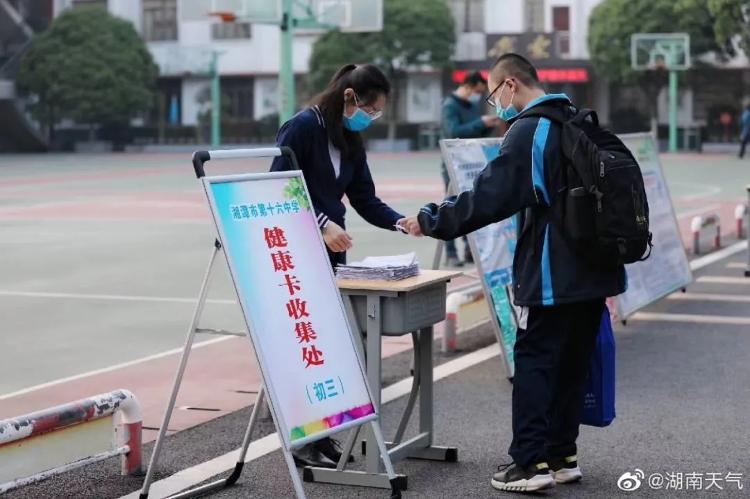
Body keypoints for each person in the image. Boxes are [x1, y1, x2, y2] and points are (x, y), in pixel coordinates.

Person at [401, 53, 626, 493]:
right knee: (572, 362)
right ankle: (562, 455)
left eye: (494, 95)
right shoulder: (580, 121)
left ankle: (528, 463)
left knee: (537, 362)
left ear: (509, 86)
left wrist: (431, 220)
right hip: (596, 268)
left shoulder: (530, 130)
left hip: (552, 271)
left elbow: (488, 197)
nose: (495, 107)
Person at [270, 63, 408, 468]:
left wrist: (402, 222)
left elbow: (364, 198)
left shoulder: (350, 136)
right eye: (372, 109)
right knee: (305, 343)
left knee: (329, 346)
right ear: (350, 97)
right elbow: (278, 190)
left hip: (332, 255)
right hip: (297, 252)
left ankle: (324, 436)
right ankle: (301, 443)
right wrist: (323, 223)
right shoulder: (301, 128)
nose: (372, 117)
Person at [440, 70, 500, 267]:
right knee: (451, 206)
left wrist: (487, 125)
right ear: (467, 85)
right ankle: (450, 252)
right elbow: (454, 132)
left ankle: (469, 249)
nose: (478, 95)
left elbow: (474, 134)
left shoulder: (472, 105)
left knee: (470, 205)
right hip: (453, 164)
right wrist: (479, 122)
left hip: (470, 163)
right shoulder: (449, 105)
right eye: (477, 90)